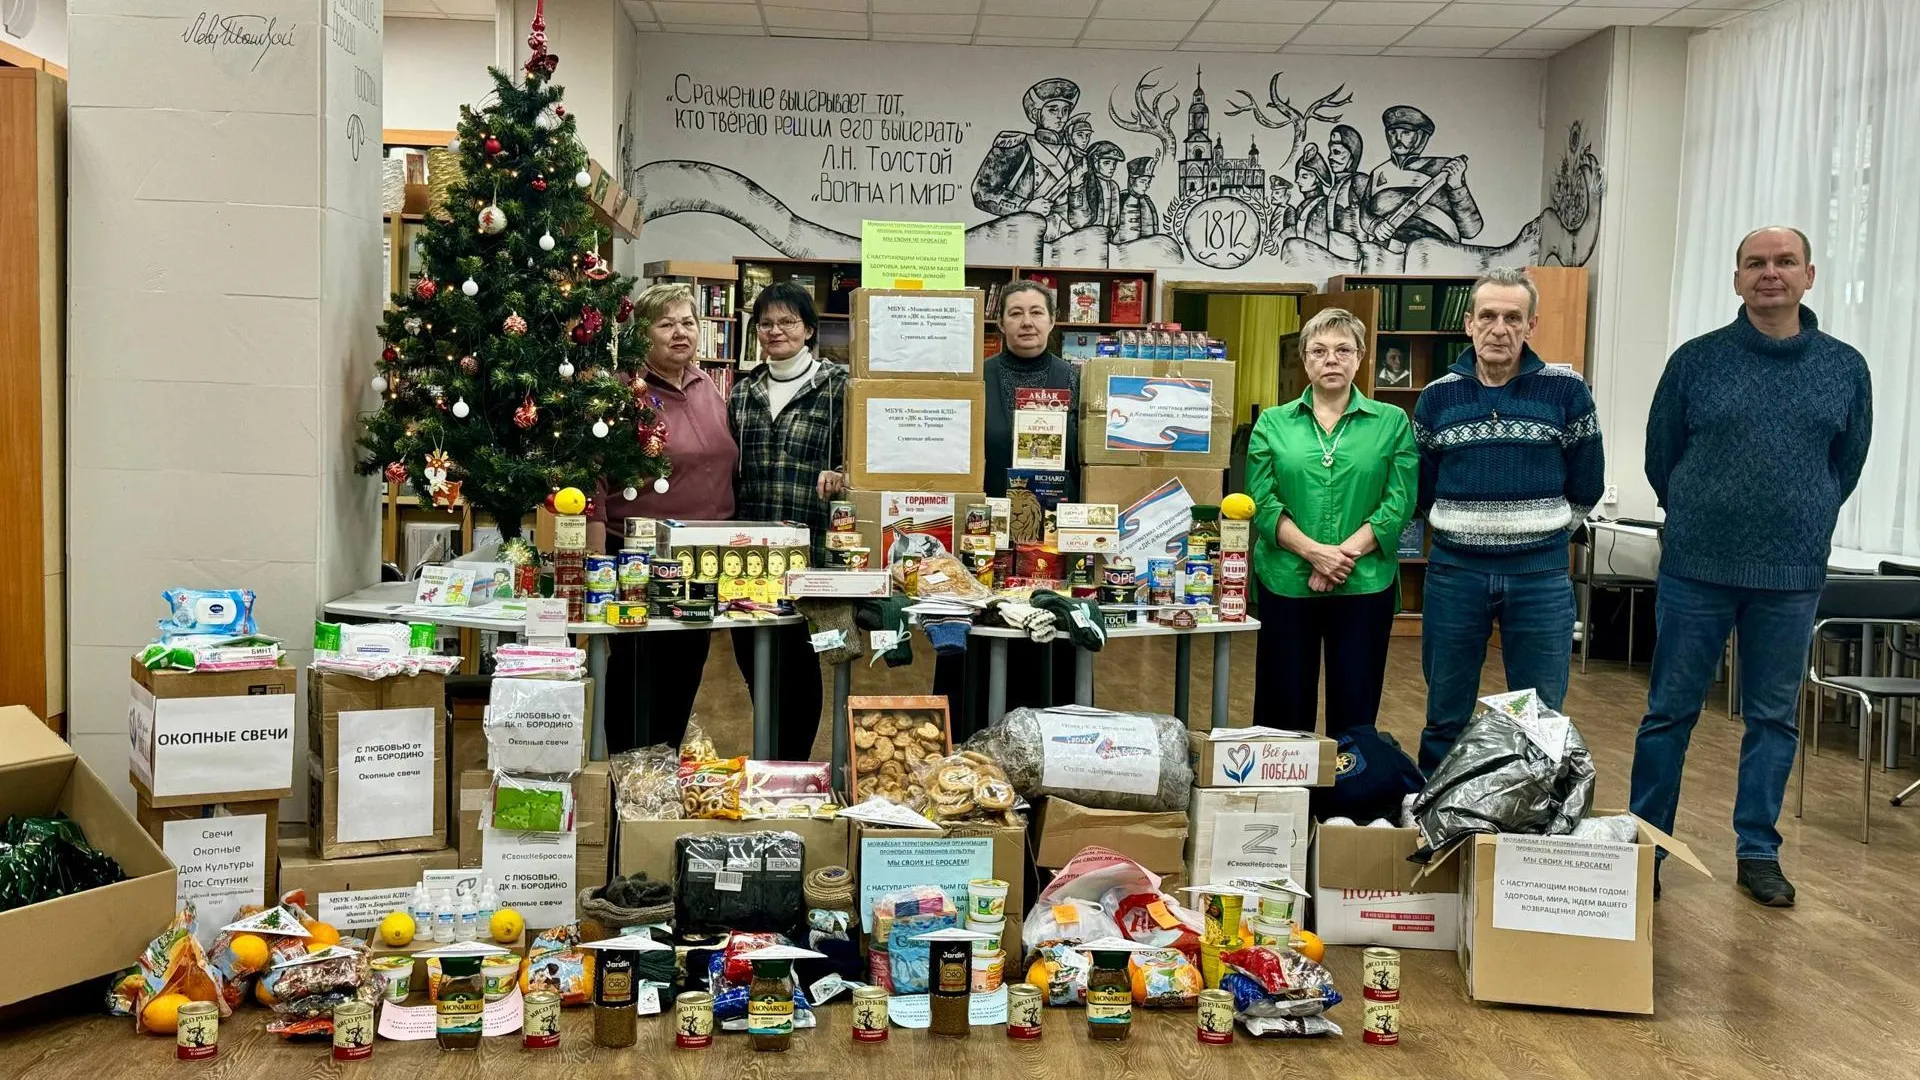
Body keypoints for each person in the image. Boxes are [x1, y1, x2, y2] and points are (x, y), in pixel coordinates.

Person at [1629, 226, 1872, 907]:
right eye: (1756, 263)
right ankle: (1646, 845)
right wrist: (1703, 519)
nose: (1771, 274)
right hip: (1696, 568)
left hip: (1790, 575)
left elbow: (1844, 467)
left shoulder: (1845, 367)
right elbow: (1661, 456)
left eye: (1785, 262)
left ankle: (1758, 851)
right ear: (1736, 279)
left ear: (1809, 275)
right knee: (1669, 713)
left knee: (1773, 718)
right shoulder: (1695, 362)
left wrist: (1801, 519)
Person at [1412, 267, 1604, 773]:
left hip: (1540, 577)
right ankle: (1437, 816)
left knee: (1538, 717)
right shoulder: (1437, 397)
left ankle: (1529, 824)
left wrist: (1541, 534)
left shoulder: (1567, 393)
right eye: (1489, 316)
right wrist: (1461, 528)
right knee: (1445, 715)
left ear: (1531, 325)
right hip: (1455, 575)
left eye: (1513, 317)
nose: (1500, 328)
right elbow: (1421, 488)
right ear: (1469, 324)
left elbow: (1587, 482)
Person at [1245, 307, 1417, 735]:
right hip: (1287, 579)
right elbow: (1261, 502)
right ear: (1304, 360)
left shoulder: (1392, 422)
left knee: (1355, 713)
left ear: (1360, 357)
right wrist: (1313, 553)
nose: (1331, 359)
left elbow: (1400, 502)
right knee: (1282, 709)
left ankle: (1352, 799)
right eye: (1319, 351)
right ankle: (1284, 797)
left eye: (1343, 350)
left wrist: (1341, 557)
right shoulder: (1273, 422)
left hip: (1364, 582)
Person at [590, 283, 739, 752]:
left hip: (702, 560)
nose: (680, 333)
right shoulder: (622, 392)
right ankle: (625, 781)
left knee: (685, 672)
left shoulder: (707, 386)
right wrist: (597, 560)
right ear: (642, 334)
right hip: (639, 559)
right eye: (666, 324)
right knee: (638, 677)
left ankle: (662, 777)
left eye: (689, 322)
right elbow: (592, 477)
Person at [934, 281, 1080, 735]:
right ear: (1000, 323)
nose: (1027, 322)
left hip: (1053, 541)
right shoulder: (978, 378)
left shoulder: (1077, 380)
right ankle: (972, 744)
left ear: (1053, 321)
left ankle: (1045, 749)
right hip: (984, 538)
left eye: (1037, 312)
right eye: (1016, 313)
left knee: (1046, 640)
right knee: (983, 639)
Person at [729, 281, 847, 762]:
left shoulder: (838, 387)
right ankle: (768, 759)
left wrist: (843, 475)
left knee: (803, 666)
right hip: (747, 559)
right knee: (754, 660)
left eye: (788, 322)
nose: (776, 331)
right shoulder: (742, 393)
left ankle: (793, 763)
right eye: (766, 323)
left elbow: (862, 461)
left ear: (810, 330)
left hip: (813, 556)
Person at [1366, 105, 1482, 245]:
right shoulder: (1378, 173)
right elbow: (1364, 215)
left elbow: (1471, 230)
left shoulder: (1445, 169)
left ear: (1422, 136)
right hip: (1386, 255)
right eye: (1392, 132)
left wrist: (1457, 186)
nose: (1397, 138)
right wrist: (1374, 225)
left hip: (1438, 254)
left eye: (1406, 132)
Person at [1115, 157, 1161, 243]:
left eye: (1149, 182)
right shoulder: (1120, 199)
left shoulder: (1147, 201)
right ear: (1132, 181)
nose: (1147, 186)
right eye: (1143, 181)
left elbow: (1155, 228)